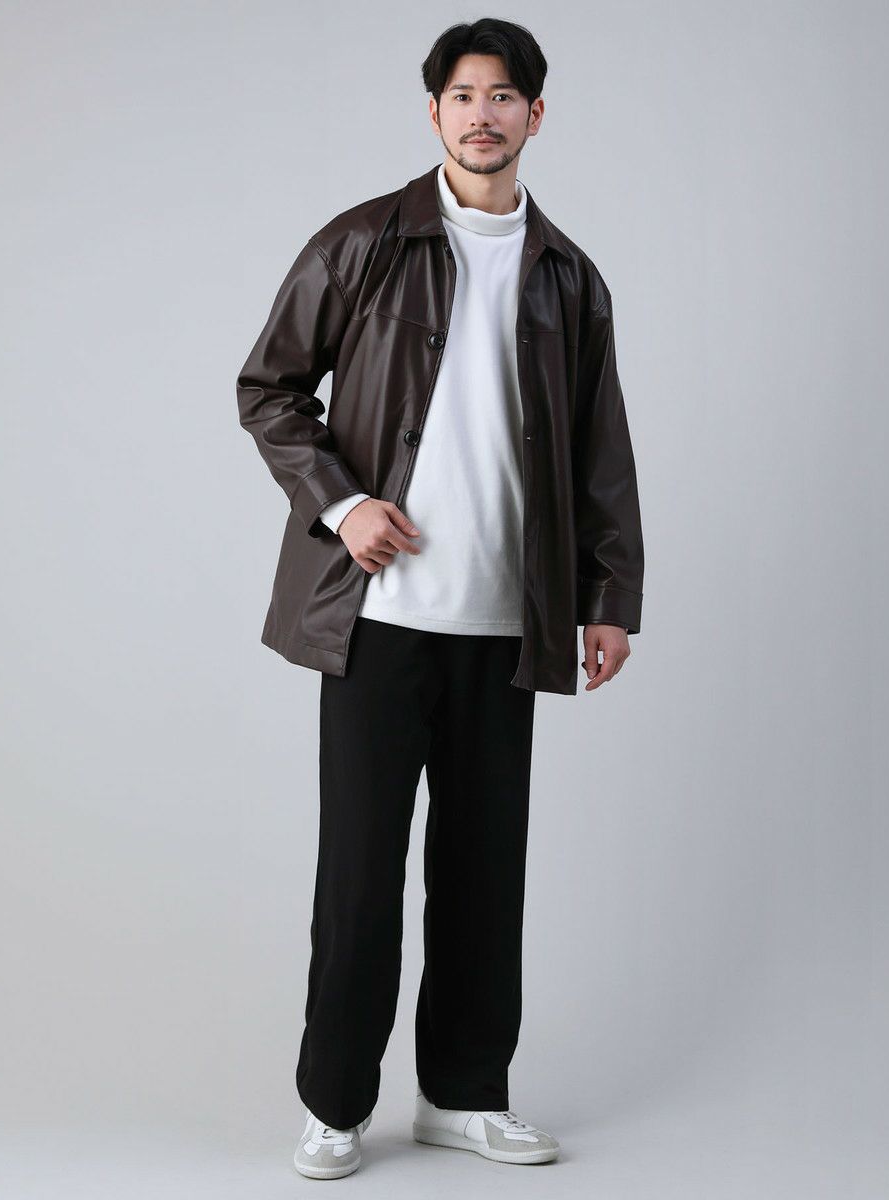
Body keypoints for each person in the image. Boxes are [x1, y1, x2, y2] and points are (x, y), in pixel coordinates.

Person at [236, 17, 644, 1180]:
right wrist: (342, 505)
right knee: (360, 875)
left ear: (534, 115)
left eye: (503, 95)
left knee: (482, 872)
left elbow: (600, 451)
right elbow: (269, 387)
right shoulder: (365, 242)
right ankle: (334, 1104)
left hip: (508, 623)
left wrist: (609, 594)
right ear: (433, 112)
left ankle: (463, 1096)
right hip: (376, 621)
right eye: (462, 94)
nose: (482, 113)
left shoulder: (569, 277)